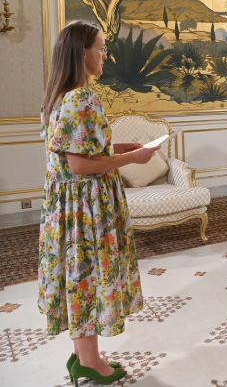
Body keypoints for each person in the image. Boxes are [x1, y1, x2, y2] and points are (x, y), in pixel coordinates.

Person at [39, 21, 160, 385]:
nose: (105, 55)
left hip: (65, 208)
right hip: (86, 208)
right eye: (101, 48)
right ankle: (90, 363)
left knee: (77, 276)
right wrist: (132, 158)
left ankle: (82, 356)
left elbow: (75, 151)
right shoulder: (82, 98)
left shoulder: (57, 97)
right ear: (82, 53)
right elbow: (79, 165)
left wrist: (117, 147)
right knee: (88, 277)